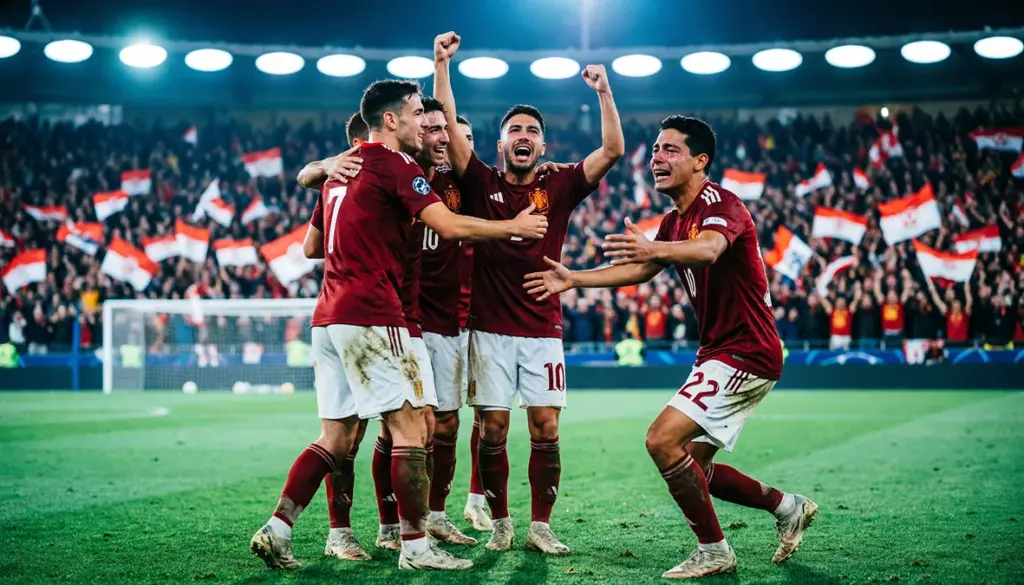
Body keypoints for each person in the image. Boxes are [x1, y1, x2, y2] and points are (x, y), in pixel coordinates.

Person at [249, 78, 547, 572]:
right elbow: (448, 226)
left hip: (328, 317)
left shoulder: (343, 169)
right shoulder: (394, 163)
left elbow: (312, 246)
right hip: (372, 313)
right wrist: (512, 227)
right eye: (414, 114)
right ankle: (414, 545)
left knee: (338, 437)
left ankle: (278, 528)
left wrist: (325, 177)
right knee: (413, 429)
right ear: (392, 120)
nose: (422, 124)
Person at [524, 115, 817, 579]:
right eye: (656, 149)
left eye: (670, 150)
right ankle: (787, 507)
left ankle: (715, 550)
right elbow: (641, 270)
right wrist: (573, 279)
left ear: (701, 161)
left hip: (745, 350)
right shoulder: (674, 219)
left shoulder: (721, 203)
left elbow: (708, 250)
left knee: (661, 440)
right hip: (720, 350)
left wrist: (656, 250)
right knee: (693, 467)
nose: (657, 158)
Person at [433, 31, 624, 554]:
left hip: (543, 329)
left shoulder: (559, 184)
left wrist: (604, 91)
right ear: (499, 144)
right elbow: (449, 126)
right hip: (489, 331)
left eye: (532, 131)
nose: (523, 134)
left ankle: (540, 525)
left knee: (545, 427)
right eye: (514, 129)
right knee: (492, 429)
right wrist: (442, 65)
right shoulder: (479, 181)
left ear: (542, 145)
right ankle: (500, 522)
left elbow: (612, 149)